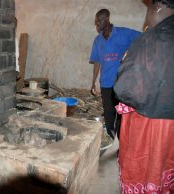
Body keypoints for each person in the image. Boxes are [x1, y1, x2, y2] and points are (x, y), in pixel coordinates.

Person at [114, 0, 174, 193]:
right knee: (166, 165)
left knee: (146, 166)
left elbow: (125, 88)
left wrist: (125, 64)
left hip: (150, 123)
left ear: (157, 8)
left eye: (147, 10)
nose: (146, 16)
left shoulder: (150, 39)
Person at [89, 9, 141, 140]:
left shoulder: (124, 33)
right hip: (106, 83)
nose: (97, 24)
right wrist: (94, 81)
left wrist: (130, 53)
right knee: (108, 112)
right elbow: (96, 61)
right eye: (96, 22)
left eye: (99, 20)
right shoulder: (98, 40)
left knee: (121, 114)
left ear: (107, 18)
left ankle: (121, 142)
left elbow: (144, 39)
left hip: (122, 83)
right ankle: (111, 138)